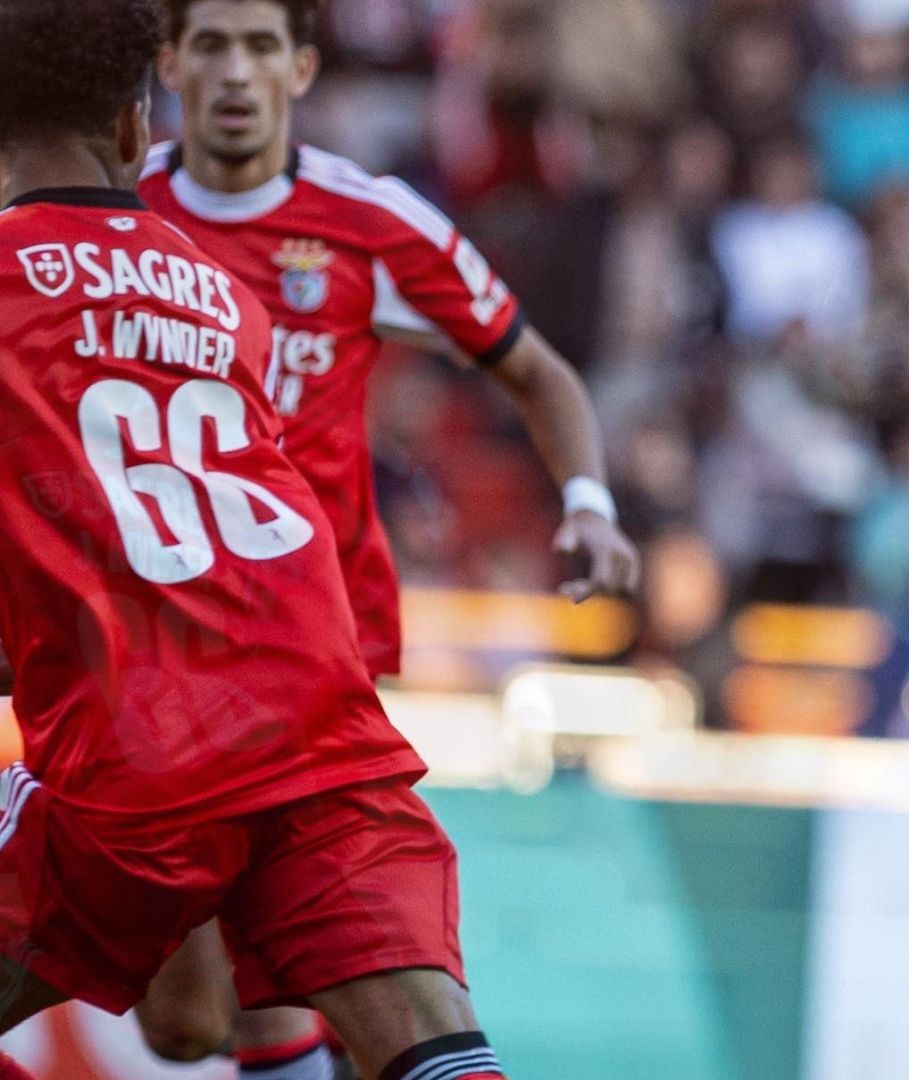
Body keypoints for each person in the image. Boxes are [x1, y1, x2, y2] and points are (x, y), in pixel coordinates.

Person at [0, 1, 510, 1079]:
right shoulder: (229, 302)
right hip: (321, 733)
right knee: (418, 1033)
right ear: (141, 131)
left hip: (142, 754)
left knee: (197, 1021)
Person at [134, 1, 641, 1074]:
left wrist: (587, 502)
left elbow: (535, 370)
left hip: (317, 659)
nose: (235, 73)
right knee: (182, 1024)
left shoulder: (365, 221)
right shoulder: (115, 224)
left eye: (261, 46)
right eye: (212, 45)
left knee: (304, 982)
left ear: (302, 66)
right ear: (168, 61)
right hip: (160, 655)